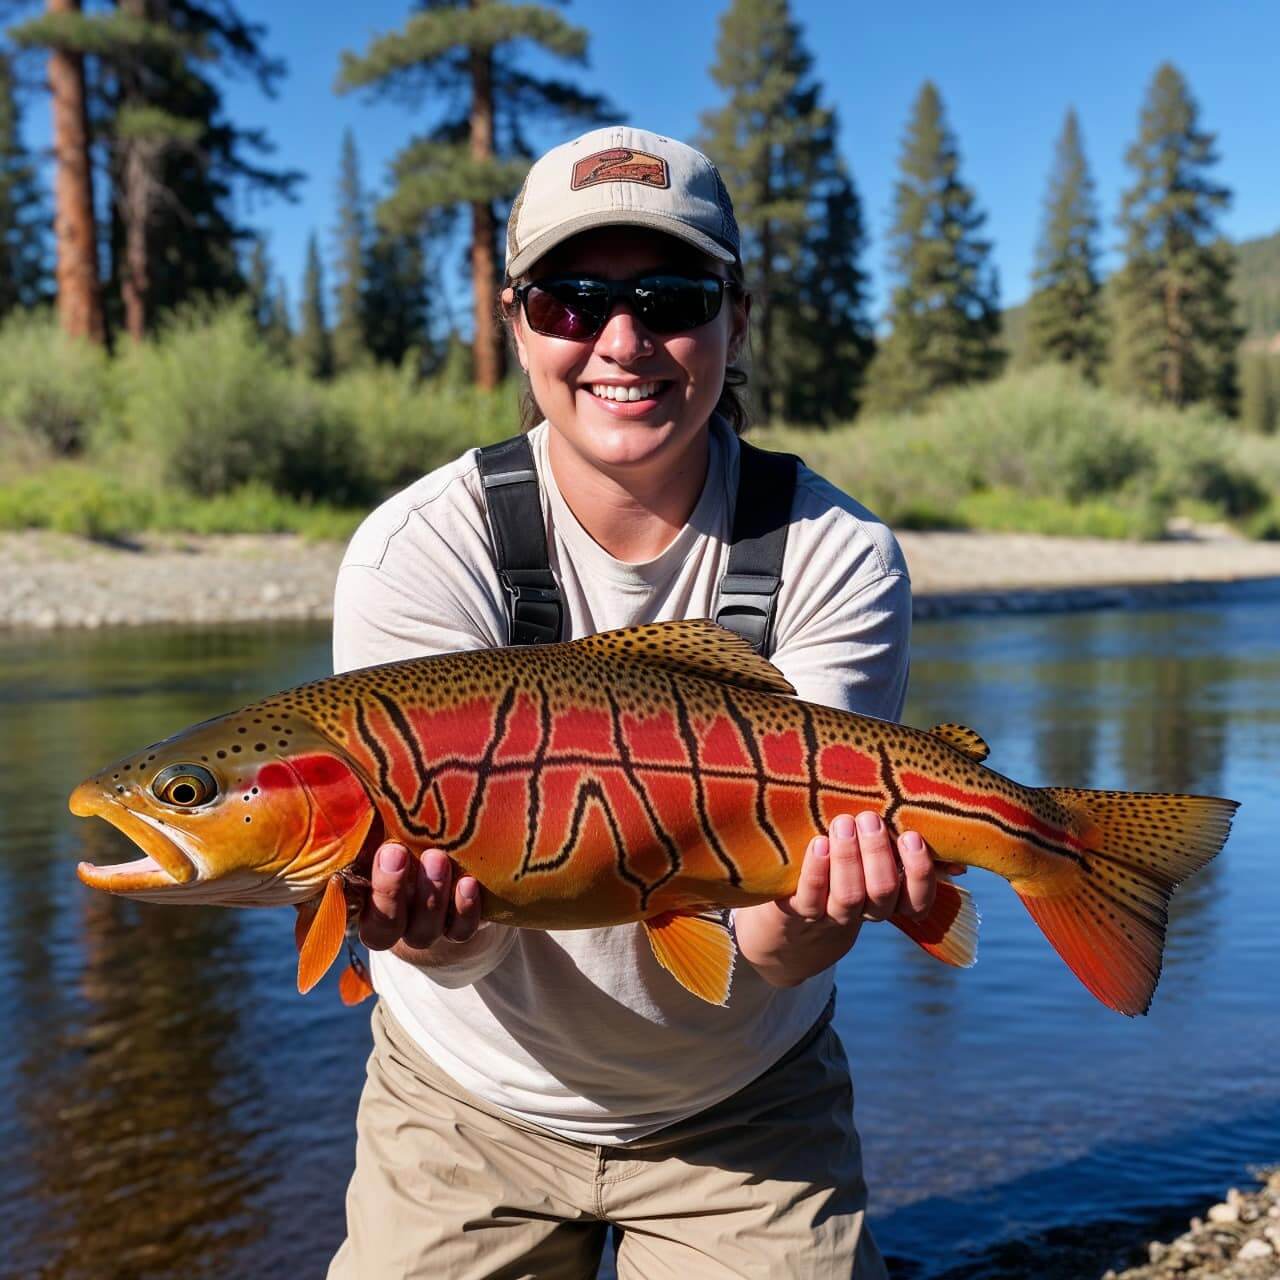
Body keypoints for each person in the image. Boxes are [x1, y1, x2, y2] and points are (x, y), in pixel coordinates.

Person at [327, 126, 960, 1280]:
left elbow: (771, 948)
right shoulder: (414, 556)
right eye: (571, 301)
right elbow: (445, 958)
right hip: (463, 1100)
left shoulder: (835, 554)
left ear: (735, 318)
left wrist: (826, 906)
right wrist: (426, 929)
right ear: (515, 322)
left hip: (742, 1102)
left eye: (670, 296)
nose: (621, 341)